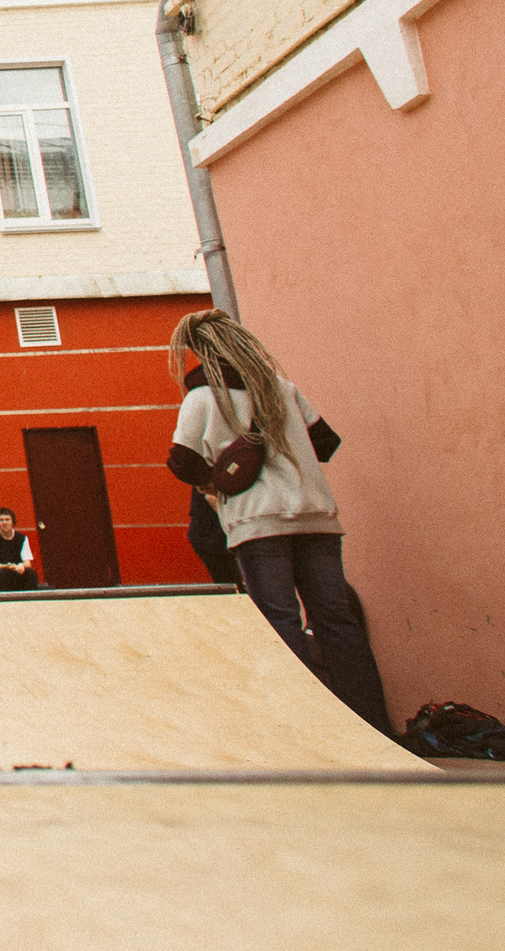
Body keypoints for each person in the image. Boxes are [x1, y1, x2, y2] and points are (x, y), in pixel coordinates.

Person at [166, 309, 390, 734]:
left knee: (279, 621)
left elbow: (181, 460)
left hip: (258, 523)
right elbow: (326, 443)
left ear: (200, 353)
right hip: (316, 515)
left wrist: (215, 484)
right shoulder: (283, 389)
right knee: (336, 622)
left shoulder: (201, 398)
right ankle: (374, 728)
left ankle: (306, 731)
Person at [0, 508, 37, 591]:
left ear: (12, 521)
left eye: (7, 520)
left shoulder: (22, 538)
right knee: (0, 574)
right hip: (2, 570)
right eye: (1, 520)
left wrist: (21, 566)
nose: (4, 522)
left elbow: (27, 563)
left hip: (18, 569)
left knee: (31, 573)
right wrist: (8, 566)